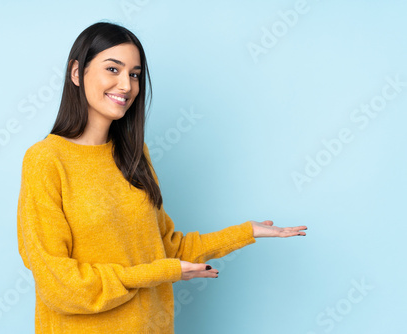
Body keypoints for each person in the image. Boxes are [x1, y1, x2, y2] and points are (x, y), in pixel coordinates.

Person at [17, 21, 308, 334]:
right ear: (77, 73)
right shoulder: (46, 160)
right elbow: (59, 285)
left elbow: (166, 250)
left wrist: (245, 232)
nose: (127, 85)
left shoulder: (134, 154)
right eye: (113, 69)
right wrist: (159, 272)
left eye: (134, 74)